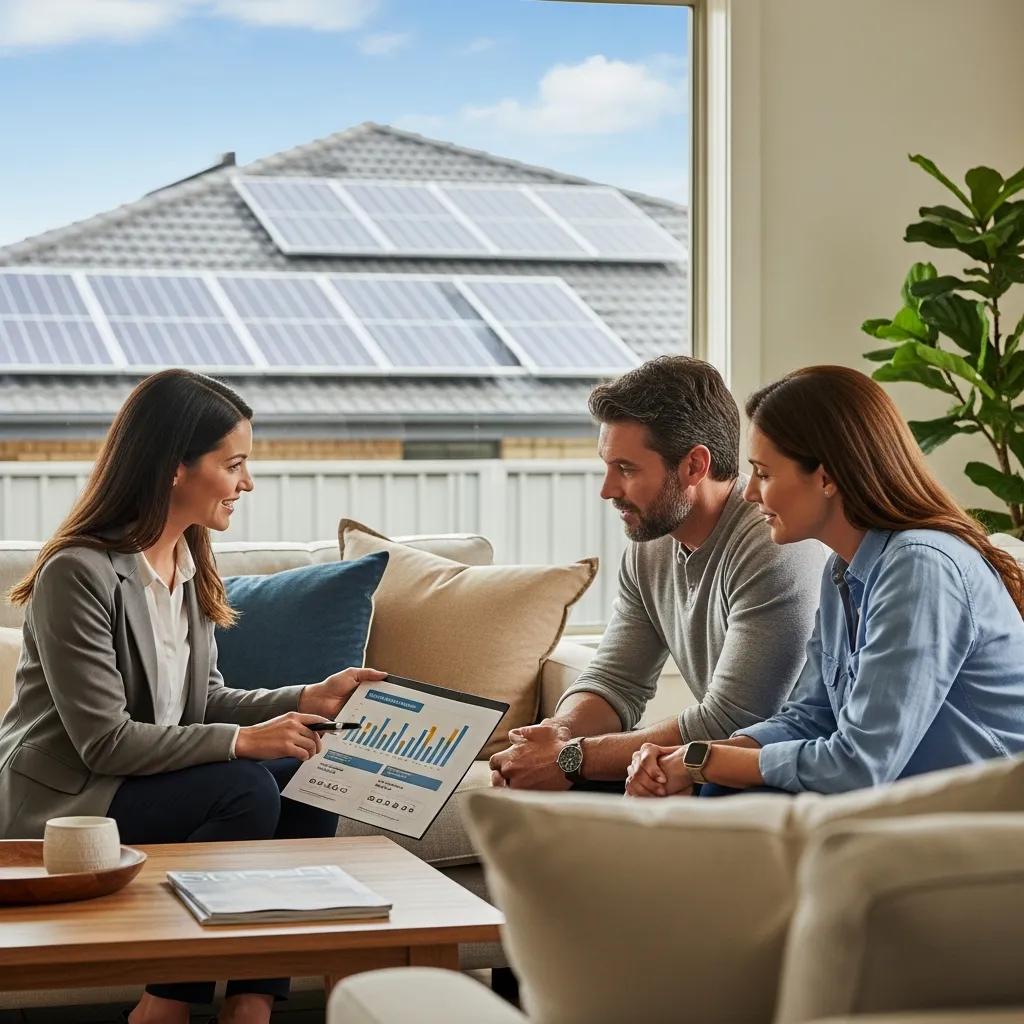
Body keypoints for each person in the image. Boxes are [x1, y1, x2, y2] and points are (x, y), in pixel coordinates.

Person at [0, 369, 386, 1024]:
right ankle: (167, 1002)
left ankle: (253, 998)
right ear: (174, 467)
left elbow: (202, 700)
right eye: (233, 464)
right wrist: (244, 742)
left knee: (311, 770)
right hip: (71, 799)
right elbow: (105, 740)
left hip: (136, 779)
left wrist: (311, 699)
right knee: (247, 787)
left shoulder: (189, 560)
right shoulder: (79, 572)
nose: (247, 483)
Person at [626, 365, 1024, 799]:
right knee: (718, 790)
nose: (750, 493)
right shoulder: (841, 575)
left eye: (764, 473)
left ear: (827, 476)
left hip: (986, 819)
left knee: (726, 790)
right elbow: (809, 717)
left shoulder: (920, 567)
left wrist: (702, 763)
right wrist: (692, 758)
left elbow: (859, 765)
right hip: (906, 807)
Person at [489, 356, 827, 791]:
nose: (607, 490)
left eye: (626, 469)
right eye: (607, 466)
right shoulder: (651, 544)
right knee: (525, 779)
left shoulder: (775, 544)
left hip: (773, 775)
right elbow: (616, 680)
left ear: (694, 466)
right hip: (710, 765)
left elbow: (733, 722)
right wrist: (558, 735)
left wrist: (571, 758)